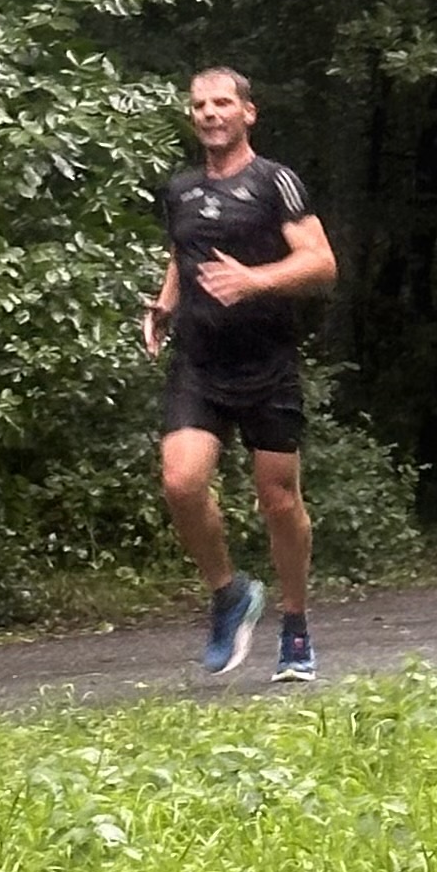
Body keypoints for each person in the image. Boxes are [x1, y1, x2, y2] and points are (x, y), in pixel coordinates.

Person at [145, 65, 340, 682]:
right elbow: (184, 253)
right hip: (199, 363)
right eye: (200, 105)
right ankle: (229, 594)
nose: (210, 113)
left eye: (222, 103)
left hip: (267, 364)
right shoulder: (180, 190)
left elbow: (321, 264)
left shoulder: (274, 181)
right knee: (181, 483)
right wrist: (165, 306)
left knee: (279, 501)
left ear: (247, 112)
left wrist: (255, 280)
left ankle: (296, 626)